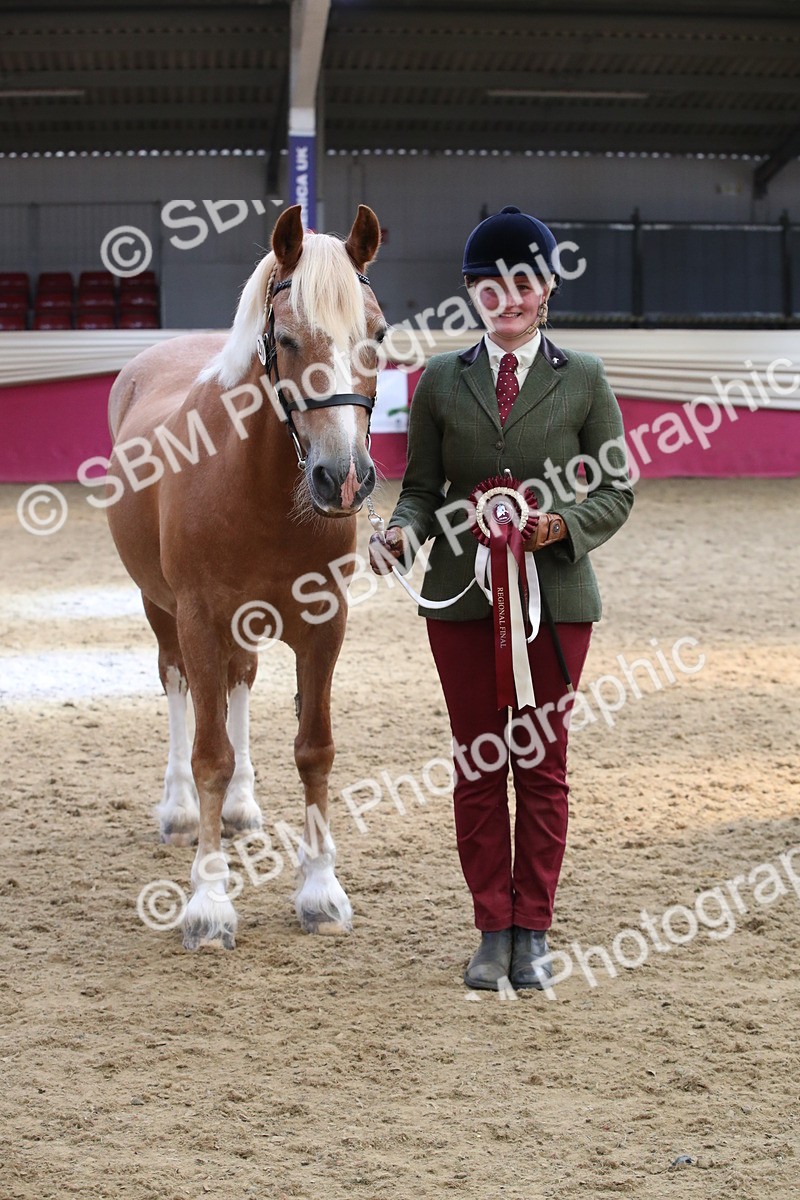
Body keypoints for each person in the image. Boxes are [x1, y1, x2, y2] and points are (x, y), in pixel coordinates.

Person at [369, 205, 633, 991]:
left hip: (557, 602)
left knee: (542, 766)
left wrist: (557, 525)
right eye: (492, 284)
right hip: (460, 599)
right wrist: (402, 536)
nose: (508, 297)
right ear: (472, 293)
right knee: (479, 764)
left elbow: (617, 487)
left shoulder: (583, 378)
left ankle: (535, 927)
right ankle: (492, 927)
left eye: (524, 282)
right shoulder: (439, 380)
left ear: (546, 289)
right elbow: (419, 490)